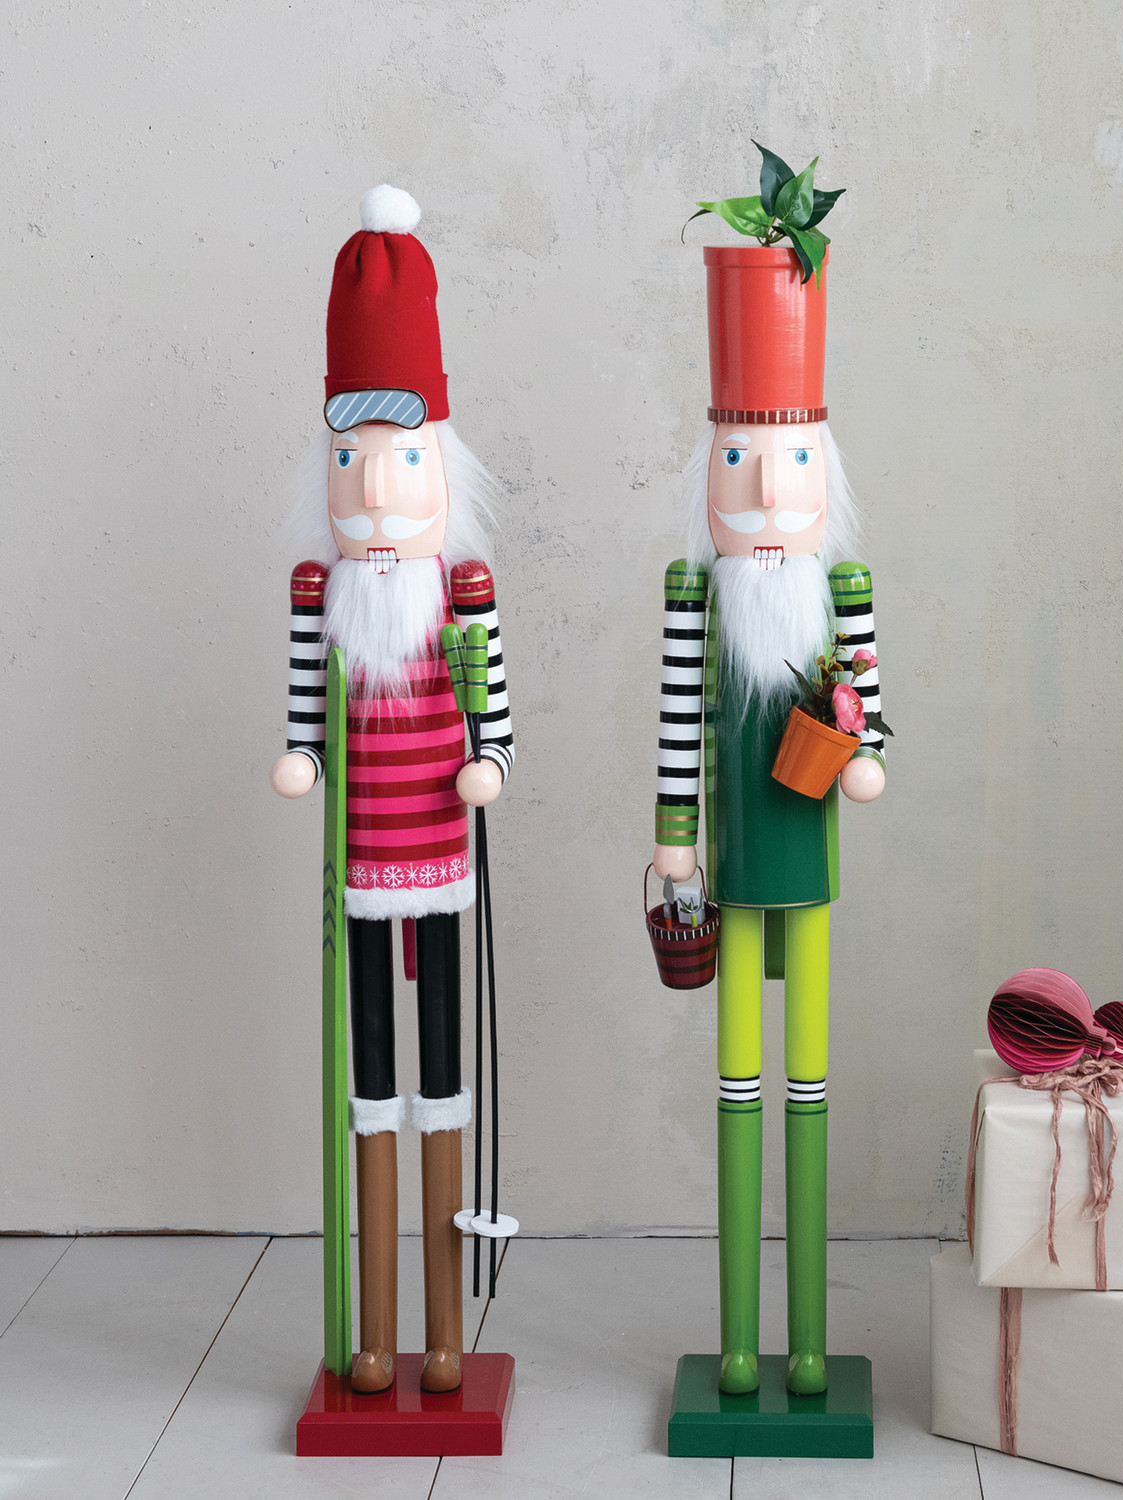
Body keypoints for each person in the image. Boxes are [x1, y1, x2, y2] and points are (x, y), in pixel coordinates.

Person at [271, 185, 513, 1394]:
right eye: (353, 463)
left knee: (445, 1076)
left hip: (442, 865)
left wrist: (489, 762)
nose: (374, 494)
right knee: (373, 1082)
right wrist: (304, 757)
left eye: (402, 462)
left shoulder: (462, 600)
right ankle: (374, 1334)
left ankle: (445, 1332)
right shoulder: (320, 599)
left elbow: (497, 722)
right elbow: (304, 716)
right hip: (359, 870)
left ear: (440, 469)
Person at [653, 245, 885, 1397]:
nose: (768, 495)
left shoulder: (841, 590)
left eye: (794, 462)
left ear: (823, 469)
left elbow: (869, 709)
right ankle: (744, 1338)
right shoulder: (696, 594)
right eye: (740, 461)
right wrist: (675, 831)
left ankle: (807, 1341)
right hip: (735, 859)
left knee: (809, 1085)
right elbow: (675, 722)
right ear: (711, 466)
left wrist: (866, 755)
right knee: (739, 1078)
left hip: (809, 853)